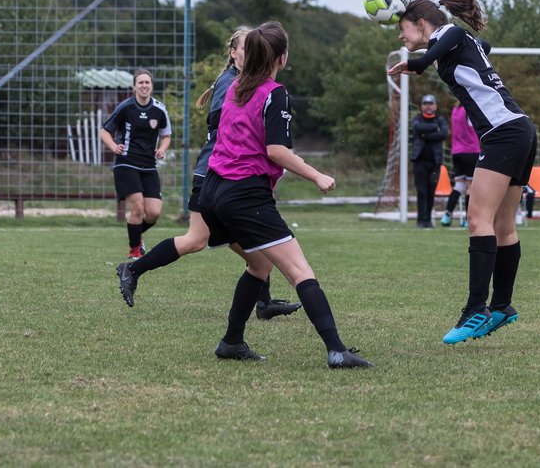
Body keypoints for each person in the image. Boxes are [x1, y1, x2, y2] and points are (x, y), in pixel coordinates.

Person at [124, 21, 370, 369]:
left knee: (258, 263)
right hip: (243, 194)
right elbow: (276, 150)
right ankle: (336, 351)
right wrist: (317, 175)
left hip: (213, 189)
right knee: (300, 270)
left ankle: (231, 342)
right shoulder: (274, 92)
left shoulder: (236, 86)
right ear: (282, 57)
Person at [114, 29, 299, 319]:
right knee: (197, 240)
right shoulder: (235, 83)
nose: (252, 54)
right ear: (233, 54)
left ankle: (263, 304)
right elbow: (228, 128)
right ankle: (132, 268)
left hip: (222, 174)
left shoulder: (240, 81)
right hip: (214, 174)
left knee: (259, 251)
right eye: (246, 49)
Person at [388, 0, 536, 344]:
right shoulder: (457, 42)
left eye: (402, 29)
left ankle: (474, 309)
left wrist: (420, 63)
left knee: (477, 219)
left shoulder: (448, 36)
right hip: (520, 130)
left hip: (503, 133)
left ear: (422, 25)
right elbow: (481, 43)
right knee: (502, 224)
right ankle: (501, 307)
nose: (400, 37)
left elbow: (453, 35)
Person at [100, 69, 172, 260]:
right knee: (137, 208)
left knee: (154, 212)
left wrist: (163, 148)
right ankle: (134, 251)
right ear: (134, 87)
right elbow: (105, 131)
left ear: (151, 86)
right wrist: (113, 146)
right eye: (140, 83)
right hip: (126, 164)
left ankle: (136, 236)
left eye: (147, 82)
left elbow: (166, 136)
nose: (144, 86)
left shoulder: (159, 109)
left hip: (148, 165)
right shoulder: (125, 107)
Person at [410, 94, 449, 228]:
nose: (428, 106)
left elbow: (443, 134)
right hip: (419, 161)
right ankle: (421, 220)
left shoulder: (440, 119)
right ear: (421, 106)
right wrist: (434, 128)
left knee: (431, 191)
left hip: (435, 162)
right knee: (421, 191)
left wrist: (425, 134)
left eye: (430, 104)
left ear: (435, 106)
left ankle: (428, 220)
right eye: (425, 104)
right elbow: (417, 128)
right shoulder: (417, 118)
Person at [442, 104, 479, 227]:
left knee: (459, 186)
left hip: (456, 152)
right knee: (470, 187)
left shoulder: (455, 110)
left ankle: (447, 214)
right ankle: (468, 219)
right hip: (471, 151)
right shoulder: (470, 109)